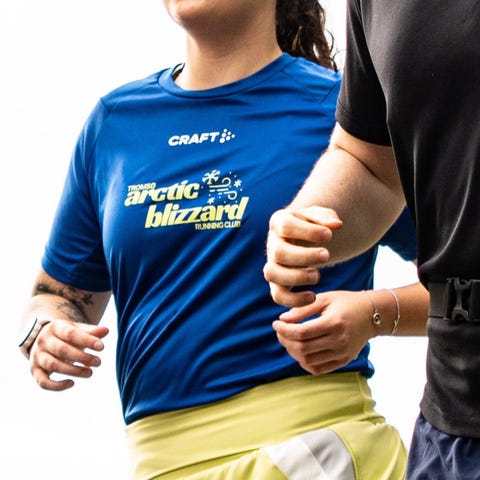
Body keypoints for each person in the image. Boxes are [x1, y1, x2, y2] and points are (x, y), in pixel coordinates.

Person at [19, 1, 427, 478]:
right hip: (161, 465)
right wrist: (45, 331)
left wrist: (373, 314)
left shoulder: (346, 120)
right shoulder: (114, 124)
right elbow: (55, 296)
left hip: (313, 452)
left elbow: (462, 280)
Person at [264, 1, 480, 479]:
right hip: (451, 428)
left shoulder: (310, 97)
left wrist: (376, 312)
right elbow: (370, 163)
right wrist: (304, 225)